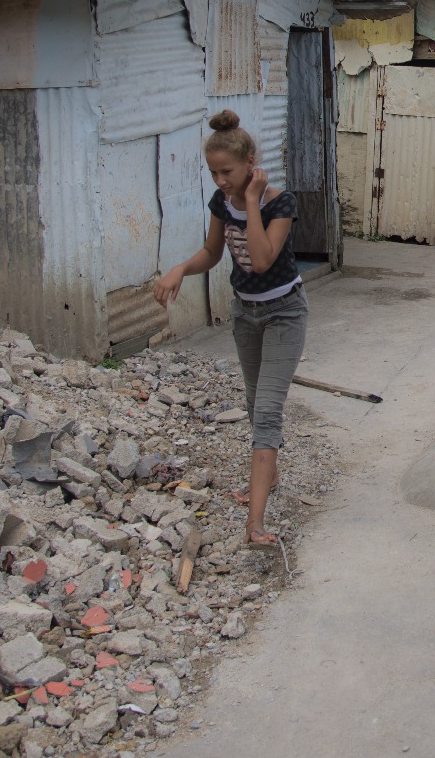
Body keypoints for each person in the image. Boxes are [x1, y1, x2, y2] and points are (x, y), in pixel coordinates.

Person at [154, 110, 305, 553]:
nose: (221, 181)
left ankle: (255, 524)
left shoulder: (280, 203)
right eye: (213, 173)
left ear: (250, 164)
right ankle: (269, 476)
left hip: (285, 314)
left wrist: (252, 201)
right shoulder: (221, 203)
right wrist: (181, 268)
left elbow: (261, 259)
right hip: (245, 314)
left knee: (267, 414)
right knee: (255, 403)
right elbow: (212, 252)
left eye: (228, 172)